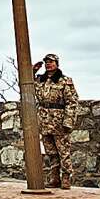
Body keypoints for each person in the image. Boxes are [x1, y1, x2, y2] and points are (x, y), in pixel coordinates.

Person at [33, 54, 79, 189]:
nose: (48, 64)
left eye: (51, 62)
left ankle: (66, 177)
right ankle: (54, 178)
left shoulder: (64, 81)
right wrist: (32, 71)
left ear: (57, 64)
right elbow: (26, 85)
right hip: (44, 120)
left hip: (59, 120)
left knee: (63, 151)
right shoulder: (40, 80)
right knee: (50, 151)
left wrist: (68, 121)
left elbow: (72, 102)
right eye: (46, 62)